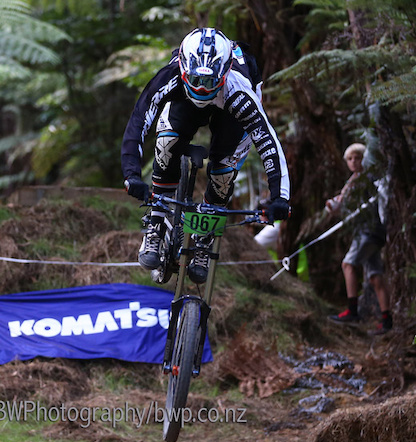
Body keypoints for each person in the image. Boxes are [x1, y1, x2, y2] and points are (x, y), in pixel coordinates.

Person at [121, 27, 291, 284]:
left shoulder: (240, 90)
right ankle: (157, 220)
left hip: (230, 111)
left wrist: (280, 197)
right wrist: (132, 175)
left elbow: (268, 141)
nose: (202, 90)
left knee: (223, 172)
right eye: (197, 81)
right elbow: (139, 120)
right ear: (183, 67)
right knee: (167, 142)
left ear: (223, 74)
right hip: (183, 102)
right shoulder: (171, 75)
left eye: (209, 82)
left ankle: (204, 238)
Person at [326, 143, 392, 335]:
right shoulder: (353, 181)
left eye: (358, 158)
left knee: (348, 264)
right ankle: (387, 320)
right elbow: (344, 205)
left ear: (365, 159)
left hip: (370, 231)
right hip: (368, 232)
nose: (354, 162)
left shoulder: (369, 178)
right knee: (375, 276)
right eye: (350, 159)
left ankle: (352, 311)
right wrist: (333, 205)